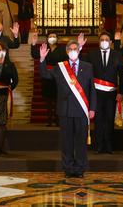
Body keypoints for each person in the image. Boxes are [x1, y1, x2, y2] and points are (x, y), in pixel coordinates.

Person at [39, 40, 97, 178]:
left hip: (82, 110)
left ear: (79, 50)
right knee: (67, 141)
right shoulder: (60, 67)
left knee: (80, 141)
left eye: (75, 48)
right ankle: (68, 168)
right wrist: (42, 59)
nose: (72, 51)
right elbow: (45, 75)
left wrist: (92, 108)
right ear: (66, 51)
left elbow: (92, 89)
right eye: (70, 49)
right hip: (65, 110)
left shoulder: (87, 67)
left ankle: (80, 168)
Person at [79, 31, 123, 154]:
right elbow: (81, 63)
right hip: (96, 93)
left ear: (110, 42)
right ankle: (99, 145)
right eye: (102, 39)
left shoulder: (117, 55)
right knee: (98, 120)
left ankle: (109, 145)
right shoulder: (92, 54)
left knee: (109, 119)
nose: (104, 41)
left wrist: (121, 92)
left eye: (106, 39)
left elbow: (122, 75)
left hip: (111, 93)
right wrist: (80, 47)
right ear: (99, 42)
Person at [30, 31, 68, 126]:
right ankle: (49, 120)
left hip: (58, 77)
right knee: (48, 100)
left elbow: (66, 59)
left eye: (54, 36)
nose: (52, 38)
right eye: (50, 36)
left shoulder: (62, 49)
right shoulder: (44, 47)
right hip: (47, 76)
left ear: (57, 38)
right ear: (47, 38)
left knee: (57, 100)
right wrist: (34, 44)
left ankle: (57, 119)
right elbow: (35, 55)